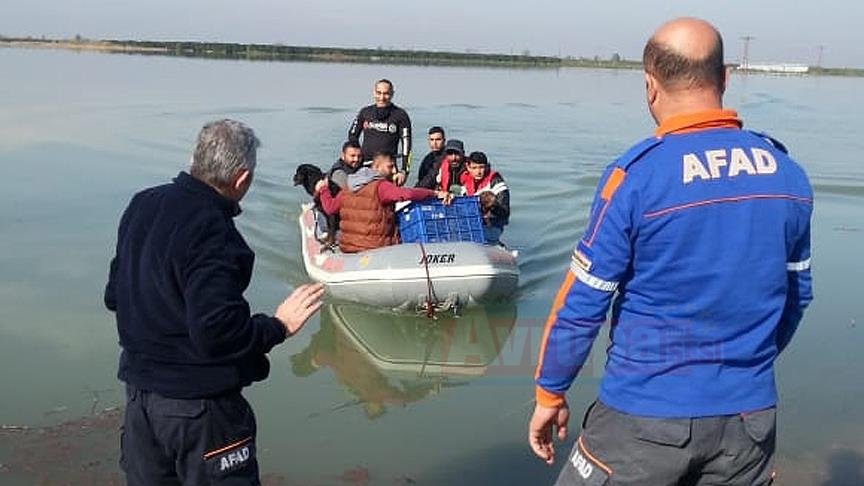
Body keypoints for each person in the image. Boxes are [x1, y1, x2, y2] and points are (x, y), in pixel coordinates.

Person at [529, 18, 813, 485]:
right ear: (724, 78)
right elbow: (796, 298)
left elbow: (582, 305)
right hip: (750, 423)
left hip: (642, 419)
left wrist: (549, 393)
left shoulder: (637, 177)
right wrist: (743, 366)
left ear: (649, 86)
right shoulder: (788, 175)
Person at [105, 119, 325, 485]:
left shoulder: (142, 204)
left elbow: (115, 296)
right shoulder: (214, 231)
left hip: (140, 403)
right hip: (200, 411)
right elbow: (218, 332)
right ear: (242, 179)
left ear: (196, 158)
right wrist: (279, 326)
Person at [318, 151, 452, 253]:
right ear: (376, 166)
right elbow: (408, 194)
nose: (394, 171)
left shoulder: (348, 186)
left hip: (348, 247)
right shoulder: (381, 186)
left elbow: (330, 208)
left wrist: (323, 189)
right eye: (390, 166)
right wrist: (435, 193)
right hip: (375, 248)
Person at [348, 79, 412, 186]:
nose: (382, 97)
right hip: (365, 168)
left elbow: (407, 146)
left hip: (388, 170)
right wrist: (355, 160)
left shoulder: (400, 115)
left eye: (386, 94)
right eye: (379, 93)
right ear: (374, 92)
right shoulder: (365, 112)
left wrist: (404, 171)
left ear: (392, 94)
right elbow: (352, 136)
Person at [460, 151, 510, 244]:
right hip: (471, 226)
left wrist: (492, 205)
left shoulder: (496, 183)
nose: (478, 172)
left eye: (481, 167)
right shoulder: (465, 183)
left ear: (487, 166)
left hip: (493, 226)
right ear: (468, 167)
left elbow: (505, 212)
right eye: (474, 168)